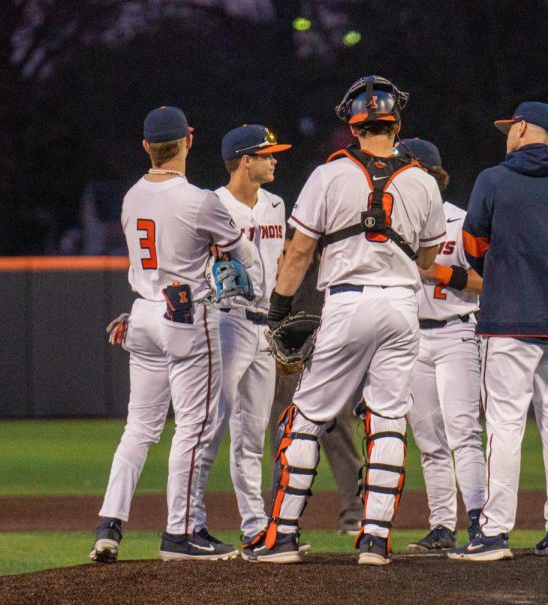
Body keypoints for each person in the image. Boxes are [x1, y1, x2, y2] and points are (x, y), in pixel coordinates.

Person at [246, 74, 445, 565]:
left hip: (349, 302)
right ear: (396, 123)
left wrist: (278, 308)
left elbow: (299, 252)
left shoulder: (329, 174)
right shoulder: (421, 179)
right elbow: (428, 257)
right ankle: (375, 537)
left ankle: (283, 535)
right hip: (402, 306)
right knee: (388, 418)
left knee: (307, 417)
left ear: (353, 127)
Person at [89, 106, 255, 562]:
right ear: (189, 140)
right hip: (185, 315)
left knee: (138, 429)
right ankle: (180, 534)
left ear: (146, 146)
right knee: (193, 428)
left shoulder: (130, 197)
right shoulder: (199, 200)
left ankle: (109, 525)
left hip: (141, 314)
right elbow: (243, 255)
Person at [448, 102, 548, 562]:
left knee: (505, 427)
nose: (507, 134)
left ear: (527, 129)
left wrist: (506, 266)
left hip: (508, 322)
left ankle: (493, 534)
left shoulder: (493, 179)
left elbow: (472, 248)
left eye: (512, 127)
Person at [185, 124, 290, 547]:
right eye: (266, 154)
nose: (274, 159)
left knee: (253, 434)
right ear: (245, 160)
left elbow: (281, 262)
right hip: (225, 321)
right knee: (210, 426)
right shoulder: (212, 205)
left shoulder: (276, 204)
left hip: (265, 325)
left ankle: (255, 528)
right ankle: (189, 524)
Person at [396, 137, 487, 552]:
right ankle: (441, 526)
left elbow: (489, 284)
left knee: (463, 434)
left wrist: (441, 273)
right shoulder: (391, 225)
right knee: (429, 440)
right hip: (411, 337)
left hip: (456, 331)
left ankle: (481, 522)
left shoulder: (462, 221)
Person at [266, 260, 365, 536]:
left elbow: (302, 252)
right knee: (284, 426)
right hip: (289, 334)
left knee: (337, 426)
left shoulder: (322, 231)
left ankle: (355, 511)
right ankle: (280, 515)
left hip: (328, 330)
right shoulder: (280, 221)